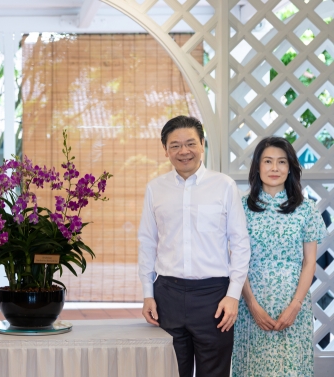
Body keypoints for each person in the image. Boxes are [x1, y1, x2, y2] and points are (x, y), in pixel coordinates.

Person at [138, 115, 251, 377]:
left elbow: (241, 244)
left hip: (214, 297)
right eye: (175, 145)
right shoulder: (156, 189)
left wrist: (233, 296)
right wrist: (147, 293)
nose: (183, 151)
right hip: (167, 294)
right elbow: (147, 241)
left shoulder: (224, 186)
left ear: (202, 144)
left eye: (190, 143)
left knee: (214, 373)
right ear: (165, 150)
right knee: (170, 372)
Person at [232, 137, 325, 376]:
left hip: (293, 305)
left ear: (291, 167)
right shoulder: (240, 208)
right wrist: (252, 305)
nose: (275, 168)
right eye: (268, 161)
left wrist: (295, 306)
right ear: (257, 167)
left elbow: (309, 262)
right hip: (251, 304)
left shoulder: (306, 209)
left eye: (282, 162)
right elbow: (235, 261)